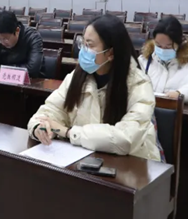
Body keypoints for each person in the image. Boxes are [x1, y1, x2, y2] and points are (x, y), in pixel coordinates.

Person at [27, 14, 161, 161]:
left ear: (110, 53)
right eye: (83, 43)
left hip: (132, 164)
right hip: (86, 159)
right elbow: (50, 110)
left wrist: (69, 133)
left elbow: (126, 138)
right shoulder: (77, 76)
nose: (83, 51)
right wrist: (39, 127)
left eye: (90, 45)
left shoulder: (139, 84)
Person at [139, 16, 188, 104]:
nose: (163, 50)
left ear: (179, 43)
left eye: (168, 46)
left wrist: (181, 94)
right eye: (158, 45)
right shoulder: (145, 60)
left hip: (180, 111)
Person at [0, 10, 44, 78]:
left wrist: (4, 70)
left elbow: (33, 69)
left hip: (31, 82)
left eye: (5, 39)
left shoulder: (33, 37)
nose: (2, 42)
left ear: (17, 30)